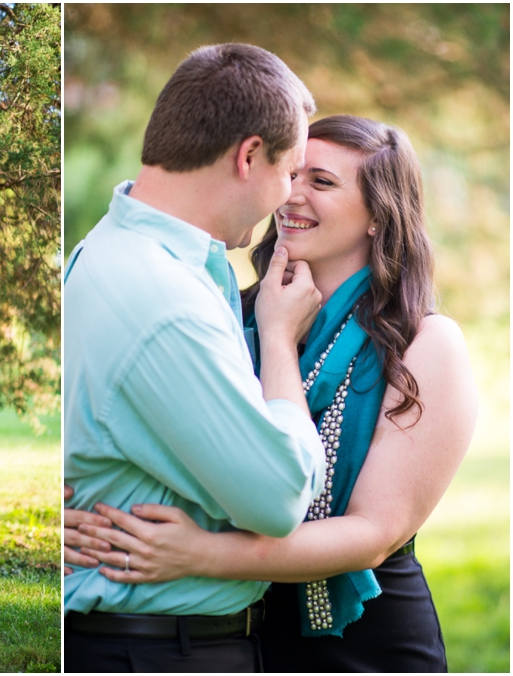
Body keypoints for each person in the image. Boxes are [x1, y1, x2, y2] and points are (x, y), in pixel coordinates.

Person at [66, 115, 479, 672]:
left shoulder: (424, 343)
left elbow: (375, 533)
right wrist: (80, 516)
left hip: (363, 640)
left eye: (323, 182)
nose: (293, 196)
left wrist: (203, 555)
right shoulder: (226, 314)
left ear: (380, 216)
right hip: (243, 633)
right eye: (292, 174)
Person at [63, 43, 329, 673]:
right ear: (248, 156)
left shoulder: (102, 250)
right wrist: (280, 343)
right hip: (162, 650)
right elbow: (281, 494)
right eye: (290, 172)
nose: (288, 197)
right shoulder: (164, 301)